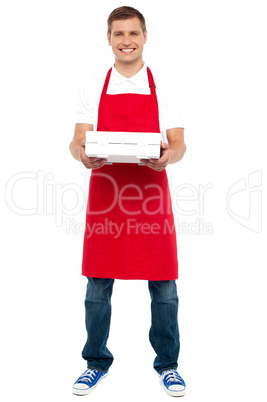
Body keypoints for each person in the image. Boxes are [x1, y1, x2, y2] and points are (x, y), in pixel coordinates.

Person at [69, 6, 186, 397]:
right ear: (108, 39)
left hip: (151, 195)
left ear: (145, 36)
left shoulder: (164, 86)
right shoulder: (92, 86)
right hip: (106, 197)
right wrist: (82, 155)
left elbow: (180, 142)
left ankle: (168, 364)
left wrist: (170, 156)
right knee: (97, 286)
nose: (126, 41)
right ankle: (95, 362)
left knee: (164, 286)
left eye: (133, 33)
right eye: (118, 34)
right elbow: (77, 140)